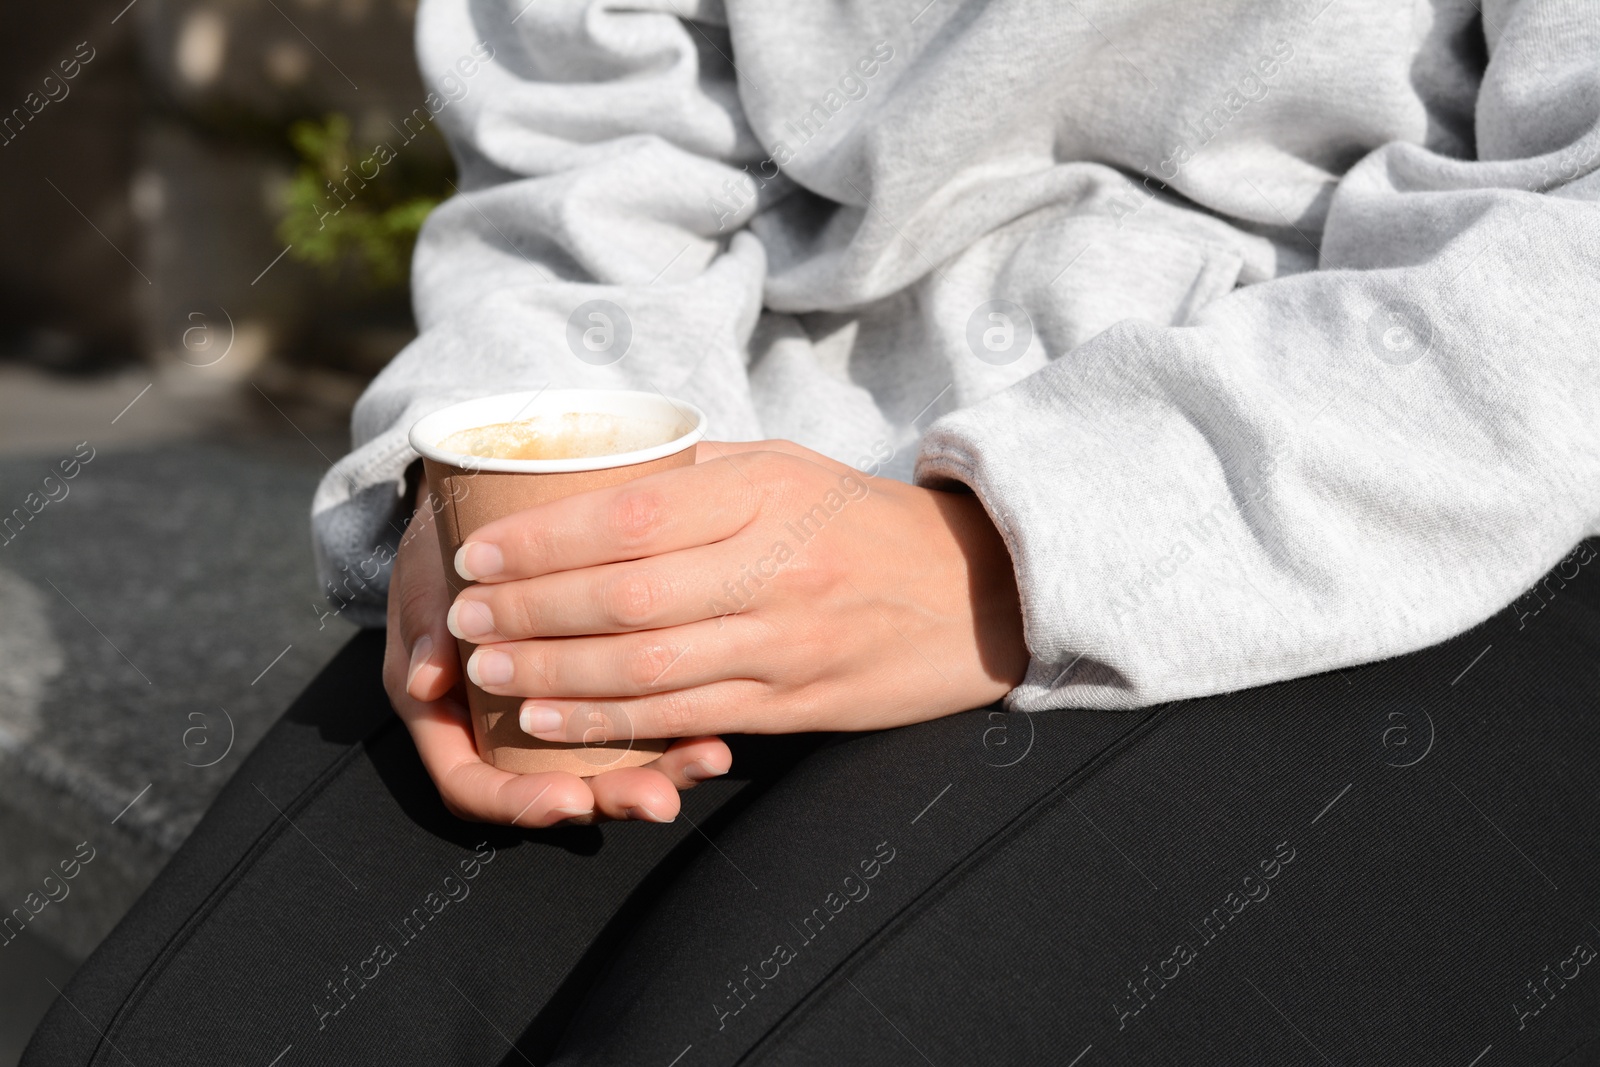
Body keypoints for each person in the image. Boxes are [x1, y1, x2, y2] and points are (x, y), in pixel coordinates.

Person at [26, 1, 1600, 1064]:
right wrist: (520, 429)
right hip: (787, 398)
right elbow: (595, 117)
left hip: (1415, 474)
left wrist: (1008, 547)